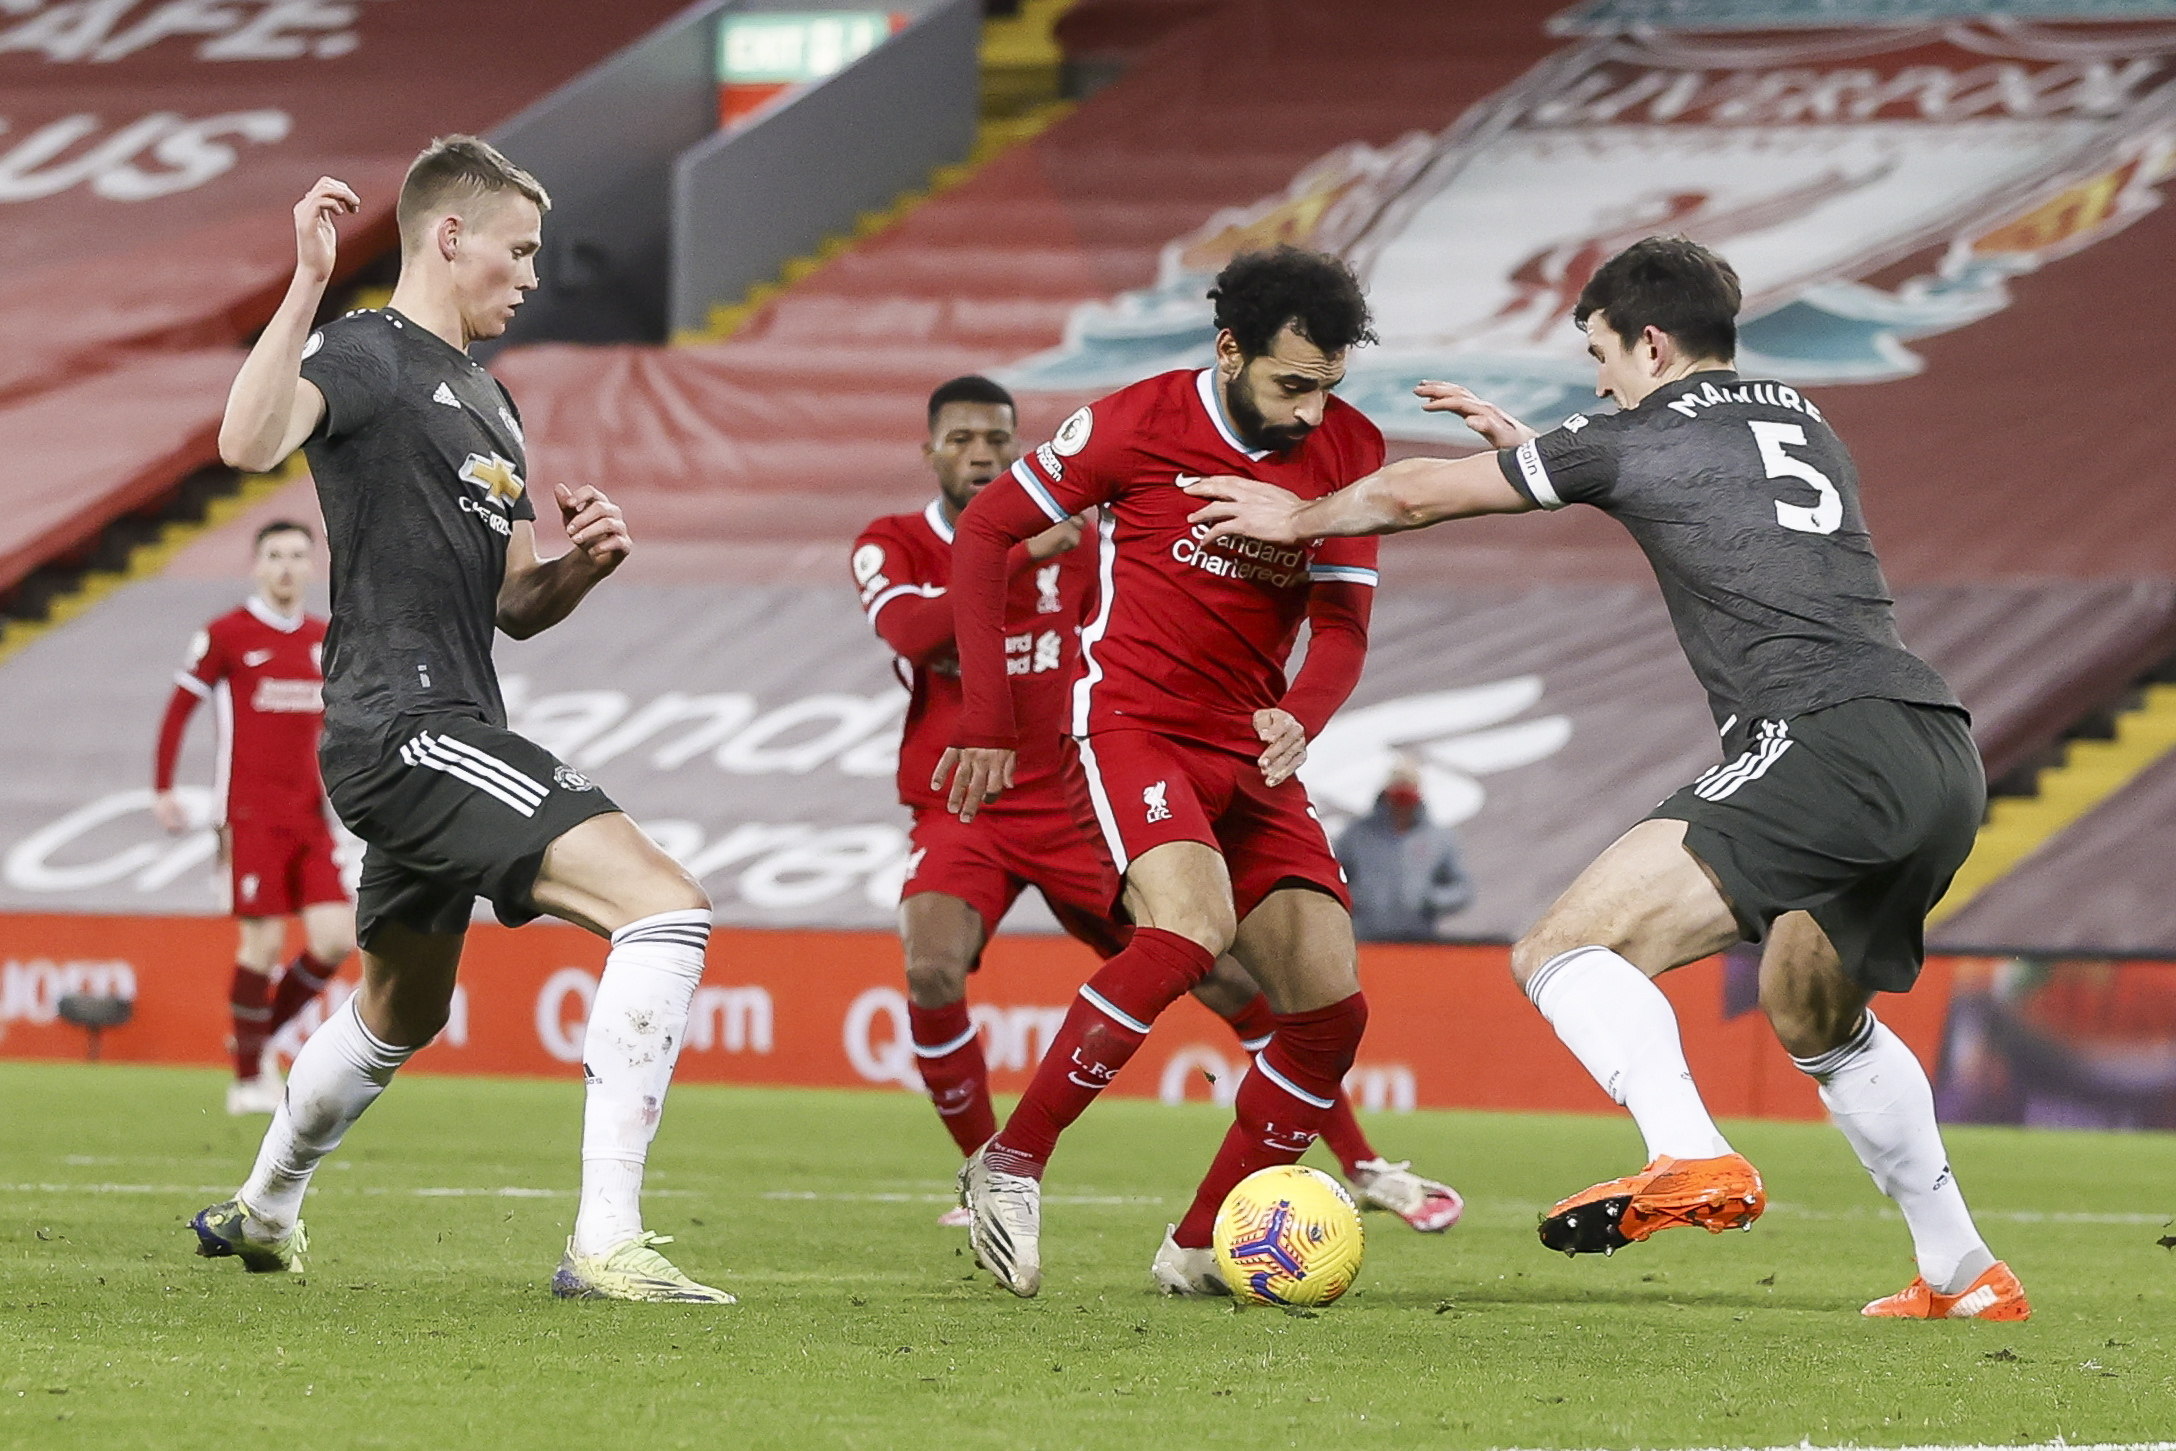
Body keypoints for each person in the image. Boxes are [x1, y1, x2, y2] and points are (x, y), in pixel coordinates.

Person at [1184, 236, 2028, 1321]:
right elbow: (1699, 490)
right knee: (1811, 1006)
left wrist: (1291, 517)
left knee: (1560, 946)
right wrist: (1545, 449)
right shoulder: (1798, 417)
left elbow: (1411, 496)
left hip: (1820, 738)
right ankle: (1964, 1271)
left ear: (1649, 340)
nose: (1596, 380)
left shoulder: (1630, 431)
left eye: (1599, 352)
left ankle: (1685, 1150)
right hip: (1932, 744)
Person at [190, 136, 731, 1303]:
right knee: (665, 906)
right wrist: (306, 280)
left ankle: (264, 1207)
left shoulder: (492, 400)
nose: (532, 276)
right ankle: (607, 1240)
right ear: (449, 236)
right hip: (402, 724)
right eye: (519, 250)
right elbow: (243, 442)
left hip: (448, 714)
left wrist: (583, 565)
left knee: (400, 1008)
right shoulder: (368, 353)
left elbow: (514, 605)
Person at [856, 375, 1461, 1234]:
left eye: (997, 438)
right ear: (931, 452)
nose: (983, 453)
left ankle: (1358, 1160)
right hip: (968, 800)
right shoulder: (895, 540)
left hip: (1073, 791)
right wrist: (1026, 548)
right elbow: (914, 631)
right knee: (930, 966)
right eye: (961, 441)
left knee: (1221, 969)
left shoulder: (1087, 536)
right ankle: (988, 1165)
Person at [937, 246, 1397, 1298]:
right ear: (1230, 351)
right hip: (1135, 724)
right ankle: (1009, 1161)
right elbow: (988, 530)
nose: (1313, 414)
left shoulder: (1349, 447)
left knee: (1332, 1011)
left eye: (1329, 386)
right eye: (1291, 385)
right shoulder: (1131, 423)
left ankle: (1195, 1247)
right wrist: (990, 718)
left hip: (1252, 746)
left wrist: (1303, 715)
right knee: (1190, 929)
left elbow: (1341, 627)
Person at [153, 520, 355, 1115]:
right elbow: (178, 709)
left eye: (298, 554)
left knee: (336, 938)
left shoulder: (326, 638)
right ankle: (246, 1080)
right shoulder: (228, 634)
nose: (287, 566)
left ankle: (255, 1041)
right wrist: (164, 788)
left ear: (313, 565)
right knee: (261, 943)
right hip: (249, 814)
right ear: (257, 564)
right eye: (275, 555)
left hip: (311, 815)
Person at [1334, 758, 1473, 942]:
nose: (1402, 804)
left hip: (1418, 941)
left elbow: (1462, 888)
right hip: (1364, 939)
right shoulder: (1357, 835)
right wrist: (1356, 897)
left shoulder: (1438, 838)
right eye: (1397, 793)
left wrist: (1430, 899)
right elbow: (1332, 876)